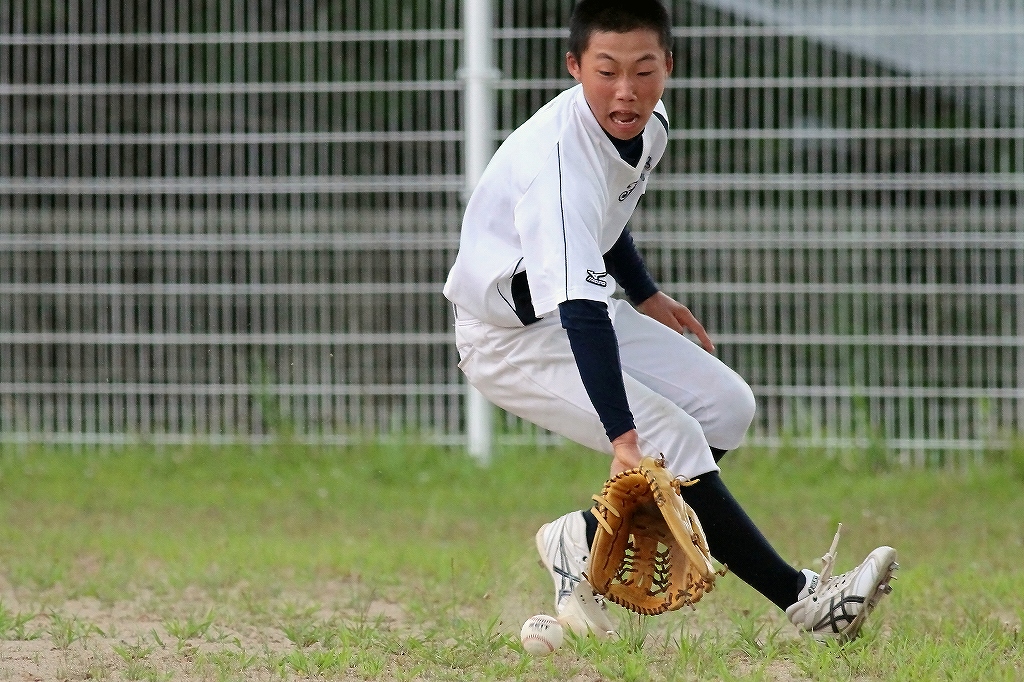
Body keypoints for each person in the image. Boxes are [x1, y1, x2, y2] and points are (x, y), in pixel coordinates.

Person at [443, 0, 897, 641]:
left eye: (643, 70)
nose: (625, 91)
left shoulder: (647, 123)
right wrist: (625, 442)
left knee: (726, 405)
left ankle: (582, 538)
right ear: (574, 67)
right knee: (670, 439)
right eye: (605, 71)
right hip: (508, 336)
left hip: (577, 307)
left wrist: (647, 293)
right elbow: (578, 305)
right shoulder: (560, 165)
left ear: (668, 68)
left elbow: (608, 221)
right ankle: (807, 604)